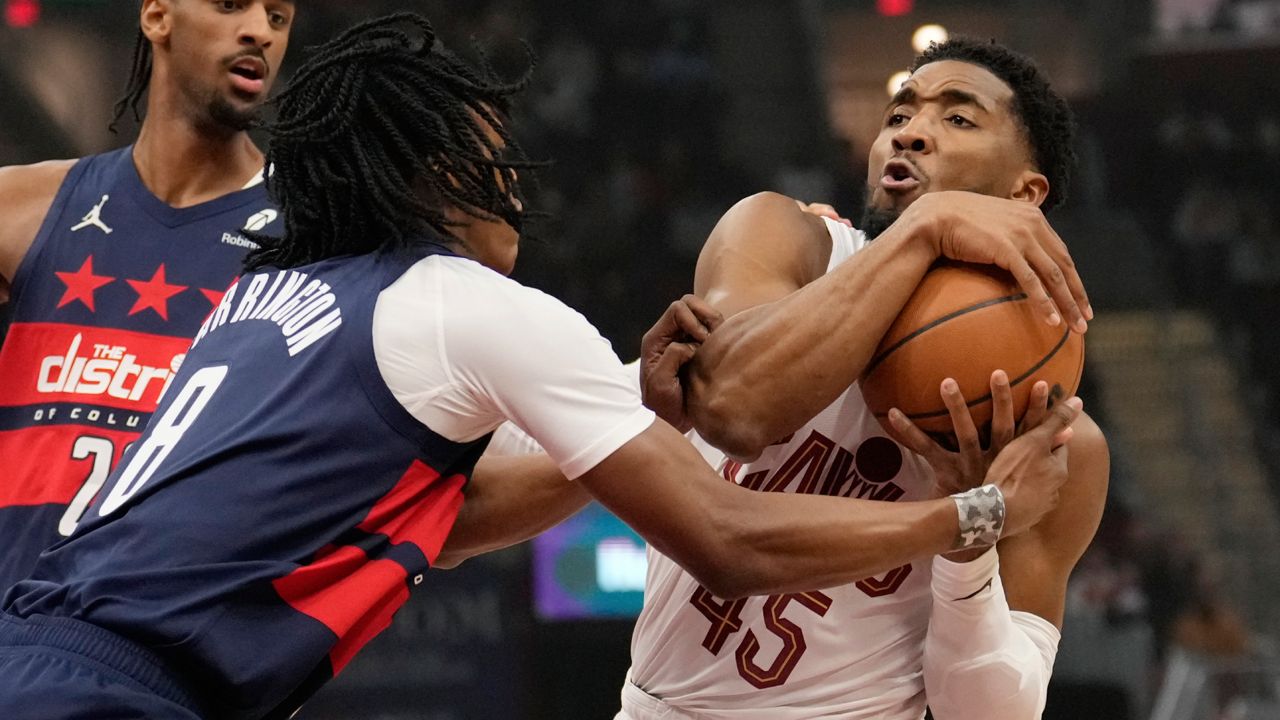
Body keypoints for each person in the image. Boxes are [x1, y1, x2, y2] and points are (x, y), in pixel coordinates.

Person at [0, 16, 1086, 720]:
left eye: (950, 116)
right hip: (117, 689)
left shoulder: (287, 293)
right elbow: (726, 510)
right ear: (427, 170)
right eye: (490, 155)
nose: (517, 183)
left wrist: (637, 401)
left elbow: (444, 519)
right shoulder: (483, 304)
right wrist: (971, 514)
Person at [619, 38, 1110, 720]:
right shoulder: (783, 238)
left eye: (958, 119)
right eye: (898, 115)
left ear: (1023, 194)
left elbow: (990, 713)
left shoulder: (1057, 435)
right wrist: (927, 229)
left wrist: (970, 546)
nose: (910, 131)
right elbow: (731, 408)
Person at [0, 0, 296, 590]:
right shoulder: (21, 207)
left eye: (279, 17)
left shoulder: (314, 244)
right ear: (157, 16)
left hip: (166, 657)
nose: (259, 30)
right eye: (232, 5)